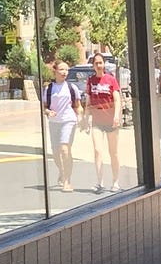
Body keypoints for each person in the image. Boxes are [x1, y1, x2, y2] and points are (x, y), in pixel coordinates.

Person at [85, 50, 124, 192]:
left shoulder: (110, 79)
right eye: (96, 63)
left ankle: (116, 182)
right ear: (93, 65)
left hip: (110, 120)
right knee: (97, 150)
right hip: (97, 121)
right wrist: (85, 117)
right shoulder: (90, 81)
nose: (98, 65)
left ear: (104, 64)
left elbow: (117, 99)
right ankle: (100, 182)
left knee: (113, 152)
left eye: (100, 63)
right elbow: (88, 101)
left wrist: (117, 116)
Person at [42, 58, 81, 192]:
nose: (64, 72)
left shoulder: (72, 88)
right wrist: (48, 112)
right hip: (54, 123)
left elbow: (77, 106)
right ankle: (62, 171)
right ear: (55, 71)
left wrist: (81, 118)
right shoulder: (49, 89)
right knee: (55, 153)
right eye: (61, 70)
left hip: (68, 121)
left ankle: (67, 181)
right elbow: (44, 107)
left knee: (65, 149)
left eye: (66, 70)